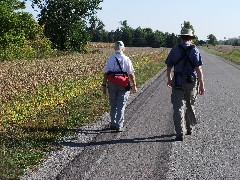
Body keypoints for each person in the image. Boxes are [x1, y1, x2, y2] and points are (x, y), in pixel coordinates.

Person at [165, 28, 205, 141]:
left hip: (177, 80)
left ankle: (180, 132)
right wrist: (202, 84)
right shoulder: (195, 50)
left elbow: (168, 66)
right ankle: (189, 128)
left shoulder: (174, 50)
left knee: (178, 107)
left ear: (181, 37)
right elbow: (199, 69)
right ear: (191, 38)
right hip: (191, 82)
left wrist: (169, 79)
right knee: (190, 105)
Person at [102, 41, 137, 132]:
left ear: (115, 48)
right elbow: (131, 74)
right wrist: (134, 85)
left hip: (112, 83)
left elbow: (106, 73)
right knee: (121, 105)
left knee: (113, 104)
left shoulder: (110, 59)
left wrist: (104, 85)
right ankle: (119, 125)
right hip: (123, 83)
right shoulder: (126, 59)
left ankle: (113, 123)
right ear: (123, 49)